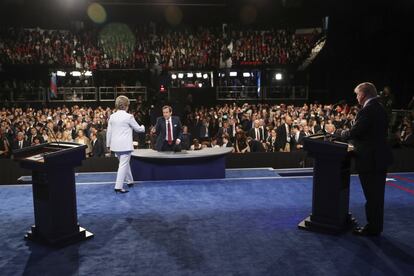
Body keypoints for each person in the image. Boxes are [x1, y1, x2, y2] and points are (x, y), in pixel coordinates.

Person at [348, 82, 393, 236]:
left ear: (364, 94)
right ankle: (376, 227)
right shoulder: (380, 108)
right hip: (380, 158)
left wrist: (339, 133)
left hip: (370, 160)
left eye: (357, 94)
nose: (356, 97)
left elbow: (355, 132)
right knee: (377, 196)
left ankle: (372, 228)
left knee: (372, 196)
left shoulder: (367, 110)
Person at [107, 96, 145, 193]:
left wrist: (108, 144)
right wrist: (143, 127)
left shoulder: (112, 116)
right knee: (123, 165)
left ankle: (130, 181)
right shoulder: (129, 117)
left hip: (115, 146)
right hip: (125, 146)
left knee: (125, 163)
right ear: (126, 105)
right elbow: (138, 129)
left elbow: (109, 132)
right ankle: (118, 187)